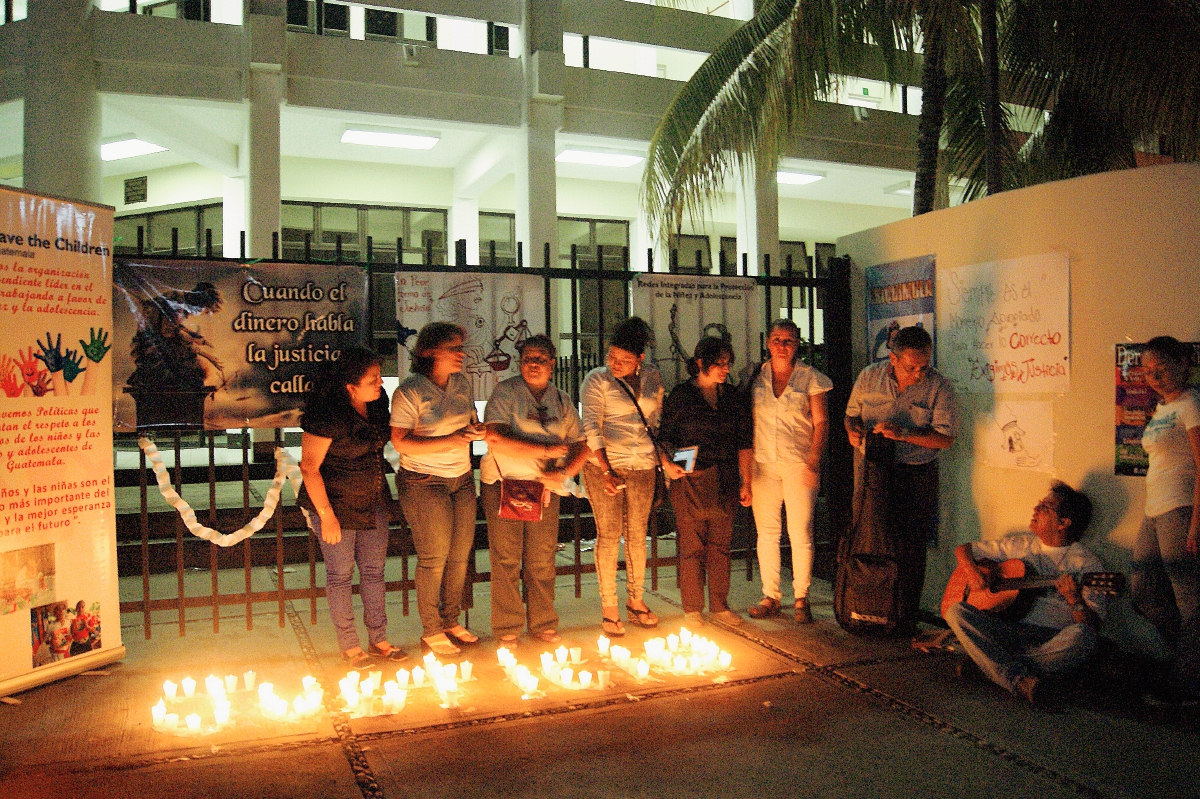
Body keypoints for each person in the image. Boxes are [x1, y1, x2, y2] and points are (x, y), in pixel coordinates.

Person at [945, 482, 1106, 703]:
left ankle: (993, 667)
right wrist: (974, 574)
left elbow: (1091, 627)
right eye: (1039, 504)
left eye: (1045, 508)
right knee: (957, 612)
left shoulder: (1087, 564)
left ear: (1063, 523)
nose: (1035, 510)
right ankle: (1015, 676)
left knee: (1084, 638)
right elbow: (963, 550)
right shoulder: (1022, 545)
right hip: (1009, 631)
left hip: (1052, 640)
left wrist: (1074, 599)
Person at [298, 346, 408, 670]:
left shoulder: (376, 406)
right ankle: (349, 645)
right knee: (340, 575)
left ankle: (379, 638)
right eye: (372, 378)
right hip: (336, 506)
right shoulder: (327, 415)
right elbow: (308, 467)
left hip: (373, 499)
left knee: (374, 572)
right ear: (350, 386)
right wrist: (326, 516)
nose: (380, 383)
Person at [844, 325, 957, 627]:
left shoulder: (939, 387)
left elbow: (945, 439)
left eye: (925, 366)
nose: (919, 374)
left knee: (910, 544)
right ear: (893, 359)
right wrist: (852, 431)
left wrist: (904, 434)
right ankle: (864, 606)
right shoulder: (870, 376)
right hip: (873, 470)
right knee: (867, 534)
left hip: (915, 472)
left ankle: (902, 614)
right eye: (912, 367)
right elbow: (851, 414)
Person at [481, 335, 590, 645]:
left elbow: (581, 444)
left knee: (542, 559)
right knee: (506, 560)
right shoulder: (506, 392)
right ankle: (508, 627)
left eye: (540, 359)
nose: (533, 364)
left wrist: (564, 472)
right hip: (506, 485)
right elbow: (496, 438)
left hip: (544, 490)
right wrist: (547, 451)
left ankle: (542, 622)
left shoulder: (561, 400)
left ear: (552, 364)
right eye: (527, 358)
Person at [391, 322, 486, 657]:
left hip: (461, 478)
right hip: (423, 481)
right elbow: (401, 442)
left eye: (461, 347)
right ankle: (431, 629)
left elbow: (469, 418)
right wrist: (452, 439)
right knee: (434, 557)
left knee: (460, 557)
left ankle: (450, 620)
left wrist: (475, 429)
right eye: (453, 348)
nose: (461, 354)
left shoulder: (461, 383)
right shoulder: (410, 391)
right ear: (430, 352)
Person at [659, 336, 753, 627]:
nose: (725, 369)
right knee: (691, 545)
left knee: (721, 544)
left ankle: (719, 605)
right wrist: (668, 465)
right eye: (719, 364)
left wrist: (746, 481)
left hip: (724, 474)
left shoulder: (734, 398)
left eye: (728, 364)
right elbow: (665, 437)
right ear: (701, 363)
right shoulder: (681, 396)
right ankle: (692, 608)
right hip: (689, 476)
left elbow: (744, 442)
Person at [580, 317, 665, 637]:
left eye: (624, 359)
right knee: (608, 534)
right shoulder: (596, 380)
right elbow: (590, 426)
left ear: (640, 359)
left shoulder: (653, 376)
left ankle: (636, 599)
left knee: (637, 534)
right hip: (605, 464)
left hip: (642, 464)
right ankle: (609, 607)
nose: (615, 363)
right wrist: (605, 470)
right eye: (611, 356)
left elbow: (655, 422)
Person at [745, 319, 833, 624]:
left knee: (800, 532)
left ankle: (800, 597)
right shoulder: (754, 376)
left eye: (789, 341)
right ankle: (770, 595)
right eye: (777, 340)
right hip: (763, 463)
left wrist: (814, 460)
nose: (783, 346)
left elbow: (821, 422)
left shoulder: (811, 378)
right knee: (767, 533)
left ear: (798, 345)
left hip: (799, 463)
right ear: (768, 343)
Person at [1131, 335, 1200, 706]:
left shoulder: (1191, 404)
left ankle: (1187, 684)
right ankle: (1190, 662)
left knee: (1190, 600)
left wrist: (1196, 524)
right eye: (1147, 371)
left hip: (1181, 509)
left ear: (1182, 364)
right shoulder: (1162, 409)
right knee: (1143, 590)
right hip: (1154, 510)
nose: (1154, 376)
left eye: (1161, 368)